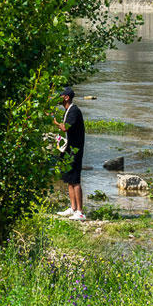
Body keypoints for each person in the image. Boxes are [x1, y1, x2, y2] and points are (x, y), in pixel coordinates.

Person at [58, 88, 86, 220]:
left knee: (75, 179)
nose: (58, 97)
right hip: (69, 149)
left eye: (60, 95)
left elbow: (65, 127)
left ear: (66, 97)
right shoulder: (68, 110)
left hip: (75, 150)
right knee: (69, 179)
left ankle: (80, 211)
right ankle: (73, 208)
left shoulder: (74, 111)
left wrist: (52, 119)